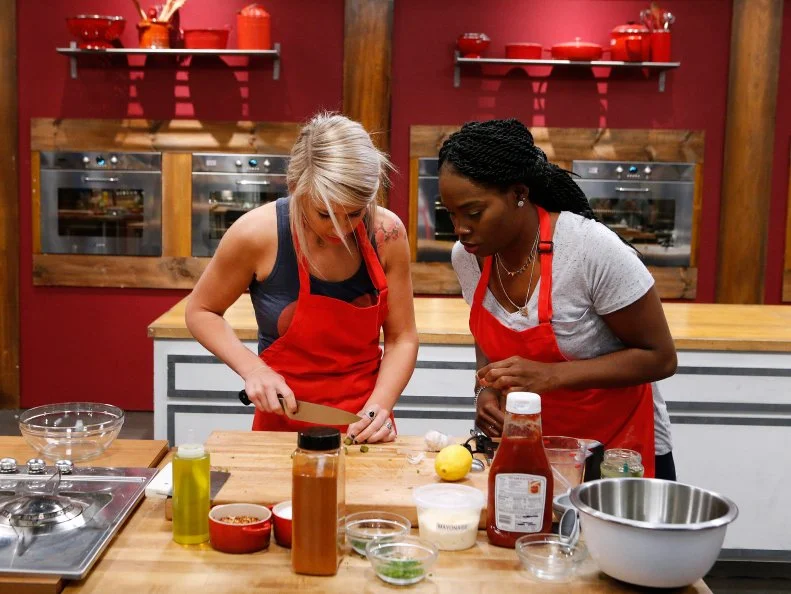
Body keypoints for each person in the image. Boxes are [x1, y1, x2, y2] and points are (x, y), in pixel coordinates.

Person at [438, 118, 678, 479]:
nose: (461, 229)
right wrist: (485, 388)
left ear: (519, 193)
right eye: (451, 214)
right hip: (535, 450)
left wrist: (551, 376)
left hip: (617, 455)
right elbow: (490, 333)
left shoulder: (589, 251)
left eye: (473, 213)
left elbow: (660, 358)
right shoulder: (468, 256)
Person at [185, 113, 418, 443]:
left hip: (363, 422)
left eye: (354, 212)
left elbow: (402, 338)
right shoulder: (255, 235)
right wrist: (253, 369)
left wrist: (377, 408)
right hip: (283, 419)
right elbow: (201, 311)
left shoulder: (387, 234)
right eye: (324, 214)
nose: (341, 227)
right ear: (295, 188)